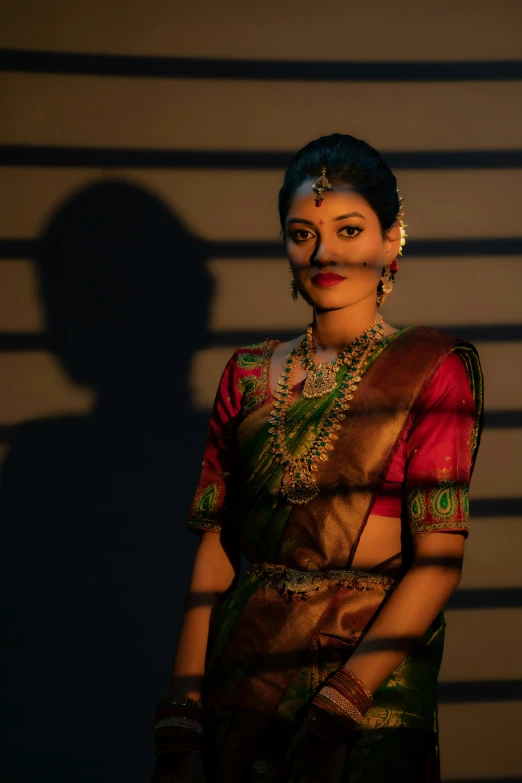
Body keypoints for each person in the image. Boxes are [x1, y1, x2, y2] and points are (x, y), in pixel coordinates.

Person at [153, 133, 484, 783]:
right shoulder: (247, 375)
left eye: (349, 228)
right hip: (242, 671)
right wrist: (182, 714)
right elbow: (215, 553)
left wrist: (336, 710)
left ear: (392, 238)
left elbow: (438, 565)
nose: (324, 251)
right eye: (302, 233)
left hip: (368, 690)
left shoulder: (433, 372)